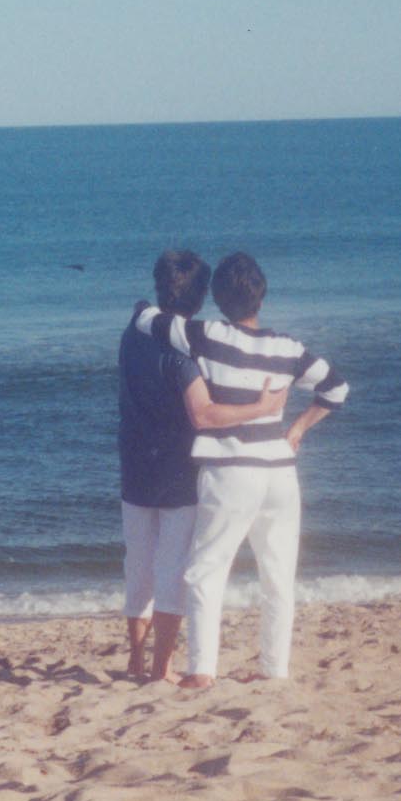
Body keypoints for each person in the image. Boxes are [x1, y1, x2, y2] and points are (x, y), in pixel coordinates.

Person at [132, 251, 348, 687]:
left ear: (217, 299)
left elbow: (148, 322)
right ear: (261, 301)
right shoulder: (288, 349)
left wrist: (144, 305)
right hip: (280, 473)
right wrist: (299, 428)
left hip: (232, 471)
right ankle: (274, 670)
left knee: (205, 571)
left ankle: (202, 671)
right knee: (278, 576)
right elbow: (337, 388)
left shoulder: (207, 335)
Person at [118, 250, 286, 682]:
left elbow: (142, 308)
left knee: (138, 566)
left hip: (135, 465)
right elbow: (205, 415)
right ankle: (161, 669)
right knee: (172, 568)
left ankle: (136, 659)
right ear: (198, 300)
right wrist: (260, 407)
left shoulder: (132, 330)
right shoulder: (184, 358)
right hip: (178, 472)